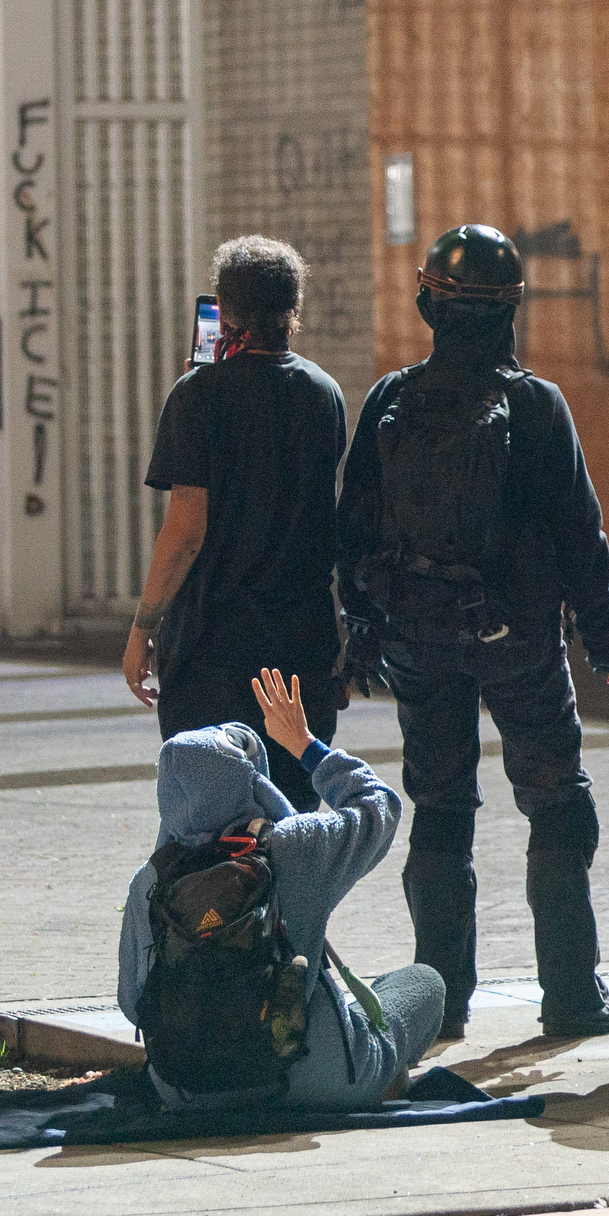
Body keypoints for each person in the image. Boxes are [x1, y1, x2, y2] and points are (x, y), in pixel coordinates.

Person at [337, 224, 609, 1041]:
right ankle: (571, 995)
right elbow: (580, 537)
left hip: (415, 637)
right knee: (557, 802)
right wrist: (607, 645)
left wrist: (361, 628)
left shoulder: (391, 399)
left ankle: (440, 1004)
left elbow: (352, 526)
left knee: (440, 808)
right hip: (519, 642)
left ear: (427, 304)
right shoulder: (536, 405)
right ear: (513, 309)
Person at [118, 669, 448, 1109]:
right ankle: (377, 1075)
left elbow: (132, 1002)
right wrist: (304, 745)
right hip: (315, 1079)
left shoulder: (149, 881)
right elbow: (379, 806)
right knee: (423, 983)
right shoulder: (294, 846)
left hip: (187, 1091)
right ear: (250, 779)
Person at [125, 236, 347, 807]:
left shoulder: (198, 396)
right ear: (292, 309)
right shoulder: (325, 394)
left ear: (223, 310)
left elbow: (184, 533)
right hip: (300, 650)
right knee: (294, 818)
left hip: (212, 654)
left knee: (211, 822)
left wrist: (143, 628)